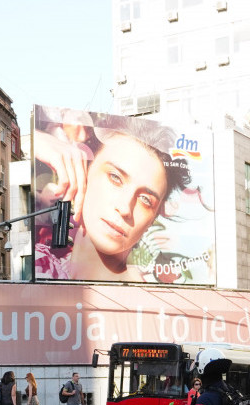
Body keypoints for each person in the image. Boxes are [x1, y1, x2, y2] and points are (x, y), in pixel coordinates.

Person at [32, 114, 193, 282]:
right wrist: (37, 141)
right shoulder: (41, 265)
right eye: (115, 178)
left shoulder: (155, 295)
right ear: (85, 171)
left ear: (153, 218)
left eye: (146, 200)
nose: (124, 208)